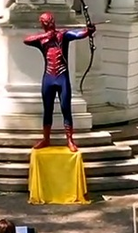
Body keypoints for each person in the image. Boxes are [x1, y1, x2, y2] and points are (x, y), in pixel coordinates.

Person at [24, 12, 95, 152]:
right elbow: (27, 40)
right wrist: (46, 36)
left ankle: (70, 140)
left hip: (62, 78)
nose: (49, 24)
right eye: (46, 22)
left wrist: (88, 31)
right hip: (49, 78)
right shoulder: (42, 40)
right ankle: (46, 139)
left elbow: (78, 34)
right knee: (48, 109)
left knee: (65, 108)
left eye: (50, 22)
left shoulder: (63, 35)